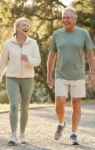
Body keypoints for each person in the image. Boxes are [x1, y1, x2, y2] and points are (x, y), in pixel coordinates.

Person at [47, 7, 95, 145]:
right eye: (63, 17)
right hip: (60, 73)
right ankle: (61, 124)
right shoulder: (57, 34)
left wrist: (92, 72)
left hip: (78, 74)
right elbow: (51, 55)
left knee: (76, 103)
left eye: (68, 17)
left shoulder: (83, 34)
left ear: (75, 19)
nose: (65, 19)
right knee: (59, 102)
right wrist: (49, 74)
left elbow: (90, 54)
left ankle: (73, 134)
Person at [0, 17, 41, 146]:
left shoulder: (33, 43)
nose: (26, 27)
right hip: (12, 78)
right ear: (18, 28)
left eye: (28, 25)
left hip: (28, 79)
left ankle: (22, 134)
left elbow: (37, 61)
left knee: (25, 107)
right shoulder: (9, 44)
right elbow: (3, 62)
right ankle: (13, 135)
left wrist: (29, 60)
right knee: (14, 105)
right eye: (24, 25)